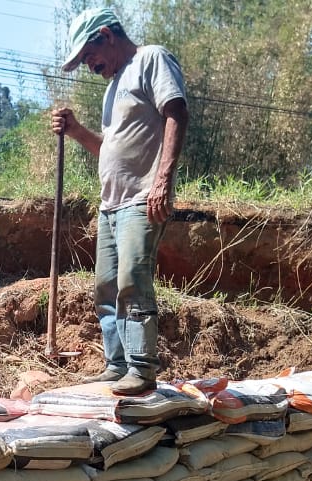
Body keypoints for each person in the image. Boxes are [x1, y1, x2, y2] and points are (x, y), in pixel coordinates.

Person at [51, 7, 188, 395]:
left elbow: (177, 113)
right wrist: (77, 131)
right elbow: (110, 148)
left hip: (142, 198)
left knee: (131, 280)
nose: (89, 65)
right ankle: (117, 365)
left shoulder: (151, 59)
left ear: (107, 35)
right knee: (106, 287)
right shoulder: (114, 87)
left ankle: (142, 368)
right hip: (111, 204)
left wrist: (163, 179)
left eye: (88, 56)